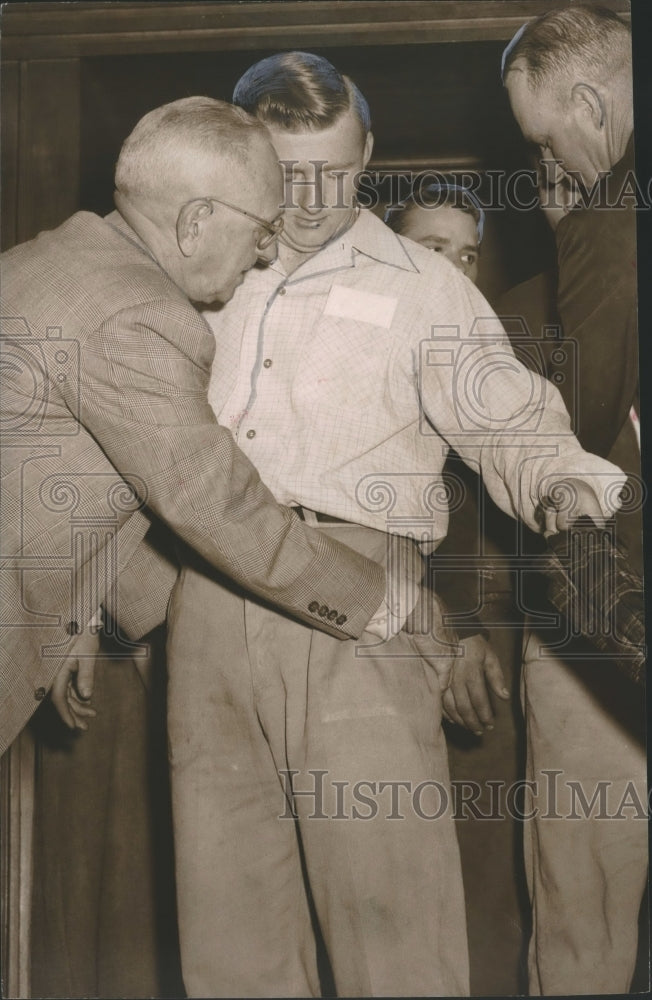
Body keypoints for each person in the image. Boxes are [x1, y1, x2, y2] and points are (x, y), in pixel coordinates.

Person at [165, 52, 625, 998]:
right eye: (292, 176)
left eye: (339, 171)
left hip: (363, 606)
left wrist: (570, 492)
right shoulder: (193, 270)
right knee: (229, 933)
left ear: (370, 152)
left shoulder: (422, 286)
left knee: (395, 933)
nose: (317, 198)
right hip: (206, 601)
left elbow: (511, 420)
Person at [0, 96, 415, 997]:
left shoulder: (52, 261)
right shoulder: (137, 313)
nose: (268, 251)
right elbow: (209, 500)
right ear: (196, 222)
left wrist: (150, 625)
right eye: (261, 230)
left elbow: (90, 487)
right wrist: (385, 603)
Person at [502, 6, 647, 993]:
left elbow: (585, 398)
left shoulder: (609, 214)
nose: (546, 162)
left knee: (585, 927)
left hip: (615, 608)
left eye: (543, 139)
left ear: (591, 106)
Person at [386, 184, 528, 996]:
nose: (454, 268)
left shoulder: (486, 354)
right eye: (431, 248)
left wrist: (471, 627)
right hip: (398, 629)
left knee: (486, 859)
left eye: (466, 252)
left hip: (480, 634)